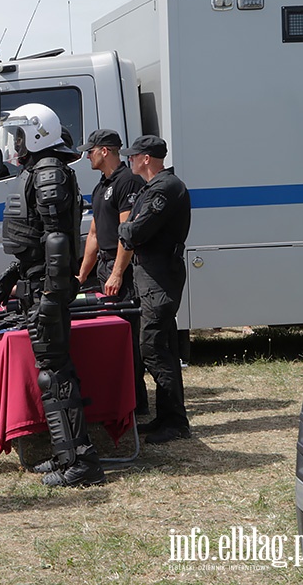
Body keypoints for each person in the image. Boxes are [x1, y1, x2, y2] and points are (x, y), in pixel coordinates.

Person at [0, 104, 105, 487]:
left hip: (47, 290)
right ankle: (66, 453)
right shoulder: (44, 171)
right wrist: (13, 276)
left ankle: (81, 461)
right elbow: (41, 239)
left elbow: (56, 239)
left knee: (55, 374)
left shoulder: (48, 172)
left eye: (20, 135)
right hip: (40, 284)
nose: (16, 143)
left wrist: (52, 295)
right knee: (52, 373)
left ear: (37, 134)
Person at [117, 135, 192, 445]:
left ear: (146, 158)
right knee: (163, 348)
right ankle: (167, 417)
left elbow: (135, 230)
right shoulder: (154, 187)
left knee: (153, 348)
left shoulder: (163, 189)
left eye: (133, 156)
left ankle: (175, 421)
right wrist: (129, 229)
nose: (129, 161)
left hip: (159, 280)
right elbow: (132, 229)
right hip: (153, 277)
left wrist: (127, 228)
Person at [75, 129, 149, 415]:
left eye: (90, 151)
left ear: (104, 151)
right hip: (105, 265)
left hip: (121, 267)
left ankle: (136, 402)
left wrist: (118, 272)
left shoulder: (126, 182)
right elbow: (94, 233)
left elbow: (126, 233)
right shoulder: (100, 185)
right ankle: (120, 397)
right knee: (111, 333)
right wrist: (82, 275)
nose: (87, 156)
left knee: (127, 336)